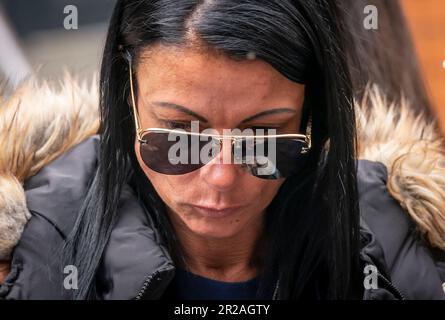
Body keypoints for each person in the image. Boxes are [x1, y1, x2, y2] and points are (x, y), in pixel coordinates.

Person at [0, 0, 444, 300]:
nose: (222, 178)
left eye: (266, 135)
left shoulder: (395, 239)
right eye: (178, 133)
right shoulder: (28, 252)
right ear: (126, 92)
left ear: (313, 113)